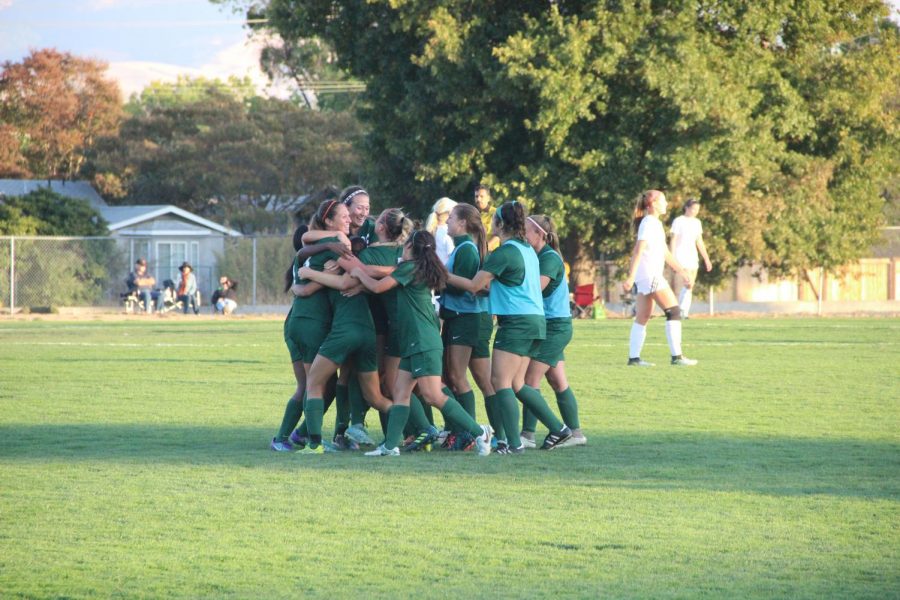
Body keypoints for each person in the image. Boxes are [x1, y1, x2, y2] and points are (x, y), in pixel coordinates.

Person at [351, 230, 492, 457]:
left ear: (410, 249)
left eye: (404, 247)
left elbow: (377, 287)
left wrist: (358, 271)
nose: (401, 250)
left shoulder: (410, 268)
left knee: (433, 395)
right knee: (401, 392)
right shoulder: (420, 267)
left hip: (422, 341)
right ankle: (390, 446)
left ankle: (479, 431)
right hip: (415, 341)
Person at [446, 201, 573, 453]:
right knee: (517, 384)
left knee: (500, 382)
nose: (490, 223)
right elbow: (505, 286)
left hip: (516, 323)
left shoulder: (504, 252)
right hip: (535, 322)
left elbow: (474, 285)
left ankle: (513, 444)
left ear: (501, 224)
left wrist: (440, 274)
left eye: (493, 218)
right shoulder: (526, 249)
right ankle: (558, 429)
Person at [520, 214, 586, 448]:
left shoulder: (548, 258)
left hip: (555, 326)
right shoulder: (538, 256)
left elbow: (535, 289)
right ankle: (577, 434)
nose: (522, 234)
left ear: (539, 234)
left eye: (525, 230)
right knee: (558, 381)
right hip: (550, 325)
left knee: (528, 380)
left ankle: (528, 435)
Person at [439, 203, 497, 449]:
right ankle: (494, 432)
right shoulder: (462, 248)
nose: (447, 222)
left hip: (464, 316)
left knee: (455, 376)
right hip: (465, 317)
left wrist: (437, 279)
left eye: (451, 217)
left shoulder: (465, 249)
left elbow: (461, 286)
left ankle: (468, 431)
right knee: (477, 379)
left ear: (462, 222)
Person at [622, 190, 698, 367]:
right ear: (653, 203)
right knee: (674, 311)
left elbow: (665, 253)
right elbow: (638, 250)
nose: (666, 204)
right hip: (650, 275)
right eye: (663, 201)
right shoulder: (649, 223)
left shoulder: (654, 223)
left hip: (647, 276)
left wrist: (682, 271)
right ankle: (677, 357)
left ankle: (634, 359)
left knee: (643, 316)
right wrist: (631, 277)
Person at [669, 198, 712, 318]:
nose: (695, 211)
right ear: (687, 208)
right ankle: (682, 311)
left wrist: (706, 258)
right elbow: (673, 239)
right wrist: (672, 257)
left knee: (690, 285)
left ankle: (683, 311)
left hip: (692, 255)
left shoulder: (697, 222)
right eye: (693, 209)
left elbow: (699, 241)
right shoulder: (679, 221)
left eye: (697, 209)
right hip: (681, 255)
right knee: (688, 282)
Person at [424, 196, 457, 264]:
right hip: (445, 272)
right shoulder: (447, 232)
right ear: (449, 213)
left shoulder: (432, 230)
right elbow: (452, 256)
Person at [474, 184, 500, 251]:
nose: (478, 199)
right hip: (476, 252)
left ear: (488, 198)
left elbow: (499, 234)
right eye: (476, 196)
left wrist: (486, 247)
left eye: (481, 196)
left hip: (491, 253)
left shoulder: (496, 212)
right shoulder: (473, 214)